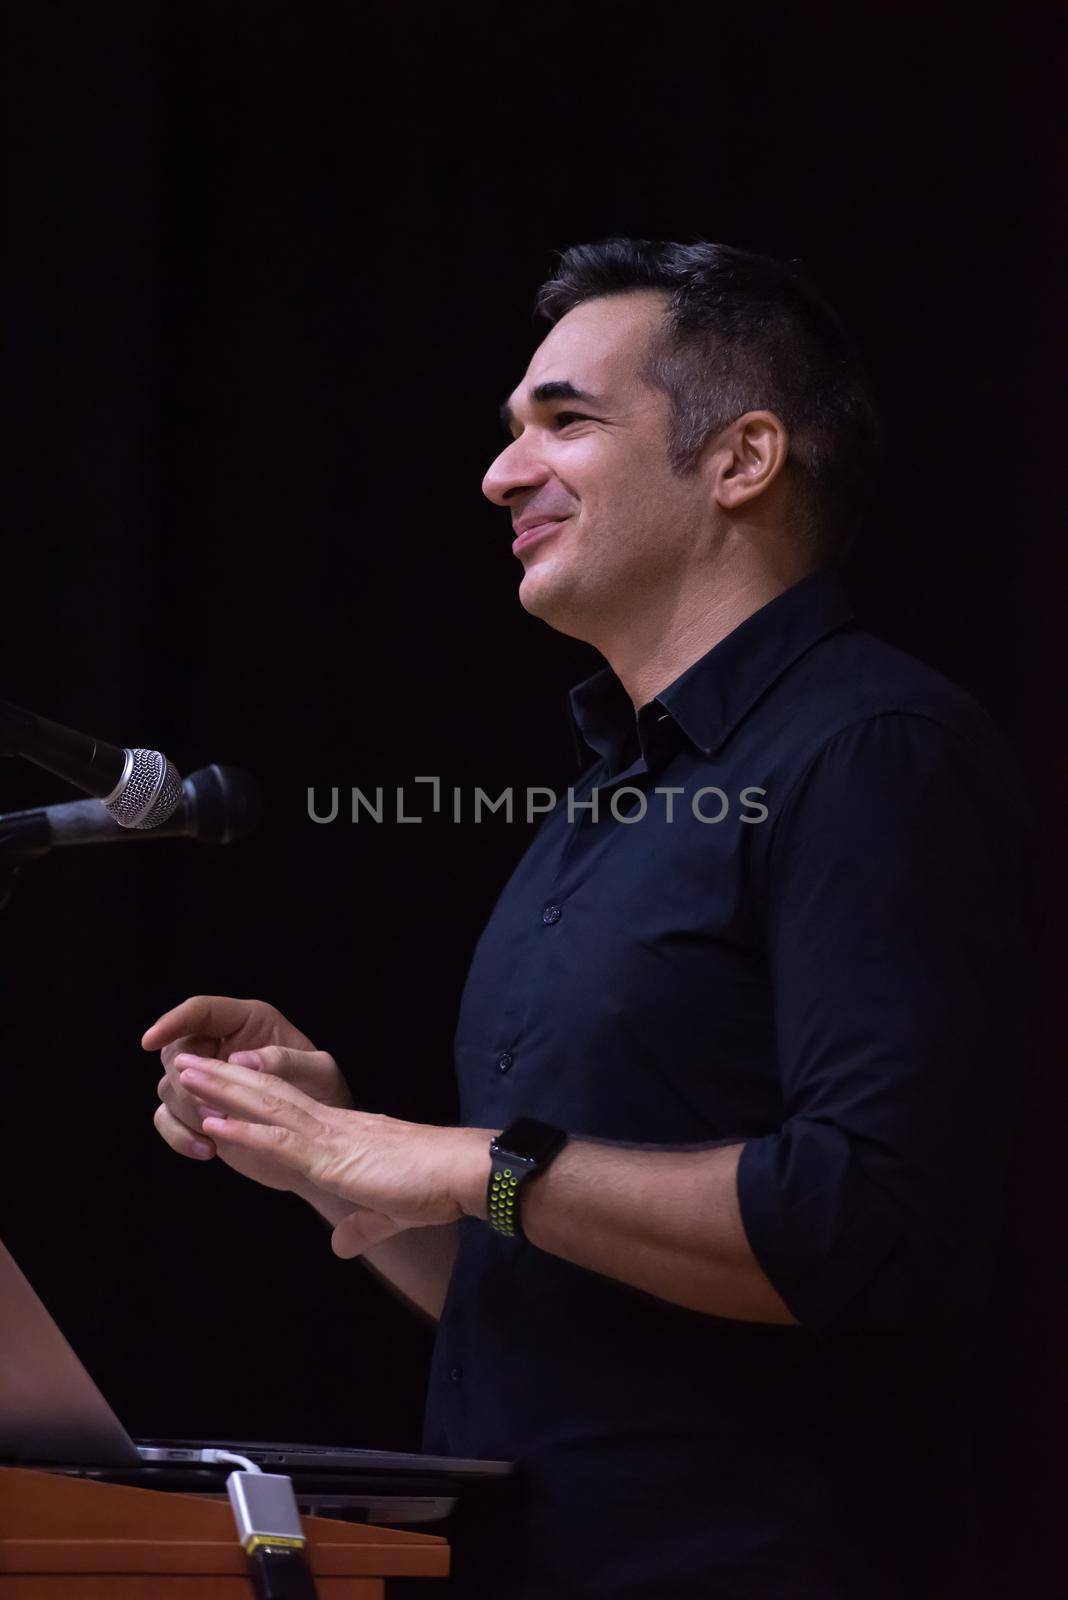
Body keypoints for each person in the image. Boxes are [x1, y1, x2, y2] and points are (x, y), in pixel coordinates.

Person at [146, 239, 1035, 1598]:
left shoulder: (876, 751)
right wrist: (337, 1163)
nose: (502, 473)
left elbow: (860, 1230)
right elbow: (544, 1287)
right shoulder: (612, 798)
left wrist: (453, 1161)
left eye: (565, 420)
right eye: (511, 431)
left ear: (741, 461)